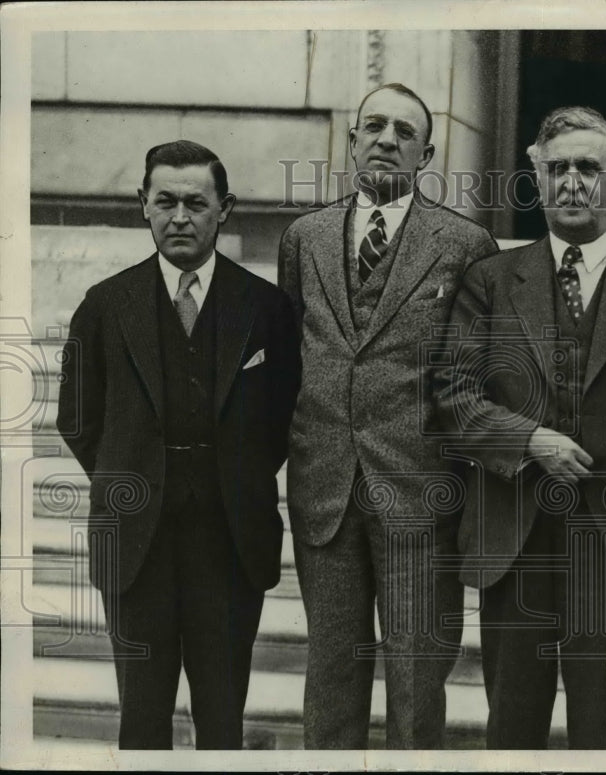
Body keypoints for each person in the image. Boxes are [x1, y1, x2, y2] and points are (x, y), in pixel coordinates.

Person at [434, 106, 606, 749]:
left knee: (600, 733)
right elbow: (453, 397)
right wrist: (528, 439)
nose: (572, 182)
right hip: (514, 541)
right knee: (511, 729)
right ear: (537, 179)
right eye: (557, 169)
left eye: (589, 167)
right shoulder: (493, 280)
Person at [56, 140, 300, 749]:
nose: (180, 217)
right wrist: (130, 475)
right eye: (165, 202)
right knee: (142, 719)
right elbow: (77, 418)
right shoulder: (105, 304)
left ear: (226, 209)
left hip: (230, 540)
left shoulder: (266, 307)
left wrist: (233, 473)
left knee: (222, 719)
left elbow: (283, 416)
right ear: (143, 204)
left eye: (196, 203)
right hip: (137, 542)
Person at [278, 82, 498, 749]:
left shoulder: (465, 243)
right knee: (331, 674)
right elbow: (292, 353)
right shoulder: (304, 238)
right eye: (374, 126)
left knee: (416, 681)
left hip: (420, 496)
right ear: (351, 141)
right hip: (325, 489)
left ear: (426, 155)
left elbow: (473, 376)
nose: (386, 140)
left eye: (405, 132)